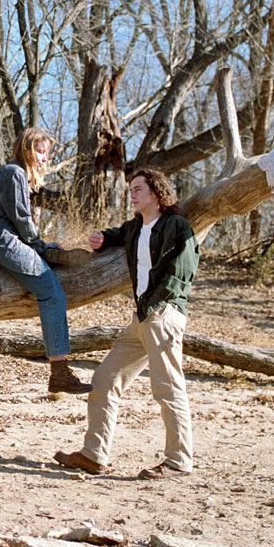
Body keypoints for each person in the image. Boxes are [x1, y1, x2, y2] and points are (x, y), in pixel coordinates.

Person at [53, 166, 197, 478]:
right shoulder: (136, 228)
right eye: (130, 190)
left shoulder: (176, 226)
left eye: (137, 190)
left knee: (168, 388)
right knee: (105, 379)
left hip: (164, 315)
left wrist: (159, 305)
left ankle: (178, 461)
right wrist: (102, 237)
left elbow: (183, 271)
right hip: (142, 318)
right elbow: (117, 235)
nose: (132, 195)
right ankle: (94, 454)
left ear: (156, 193)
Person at [0, 127, 92, 395]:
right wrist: (41, 246)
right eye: (40, 152)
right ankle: (59, 373)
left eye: (46, 154)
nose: (44, 159)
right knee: (52, 295)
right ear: (26, 149)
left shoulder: (13, 174)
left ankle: (60, 372)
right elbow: (21, 219)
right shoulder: (14, 173)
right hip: (4, 244)